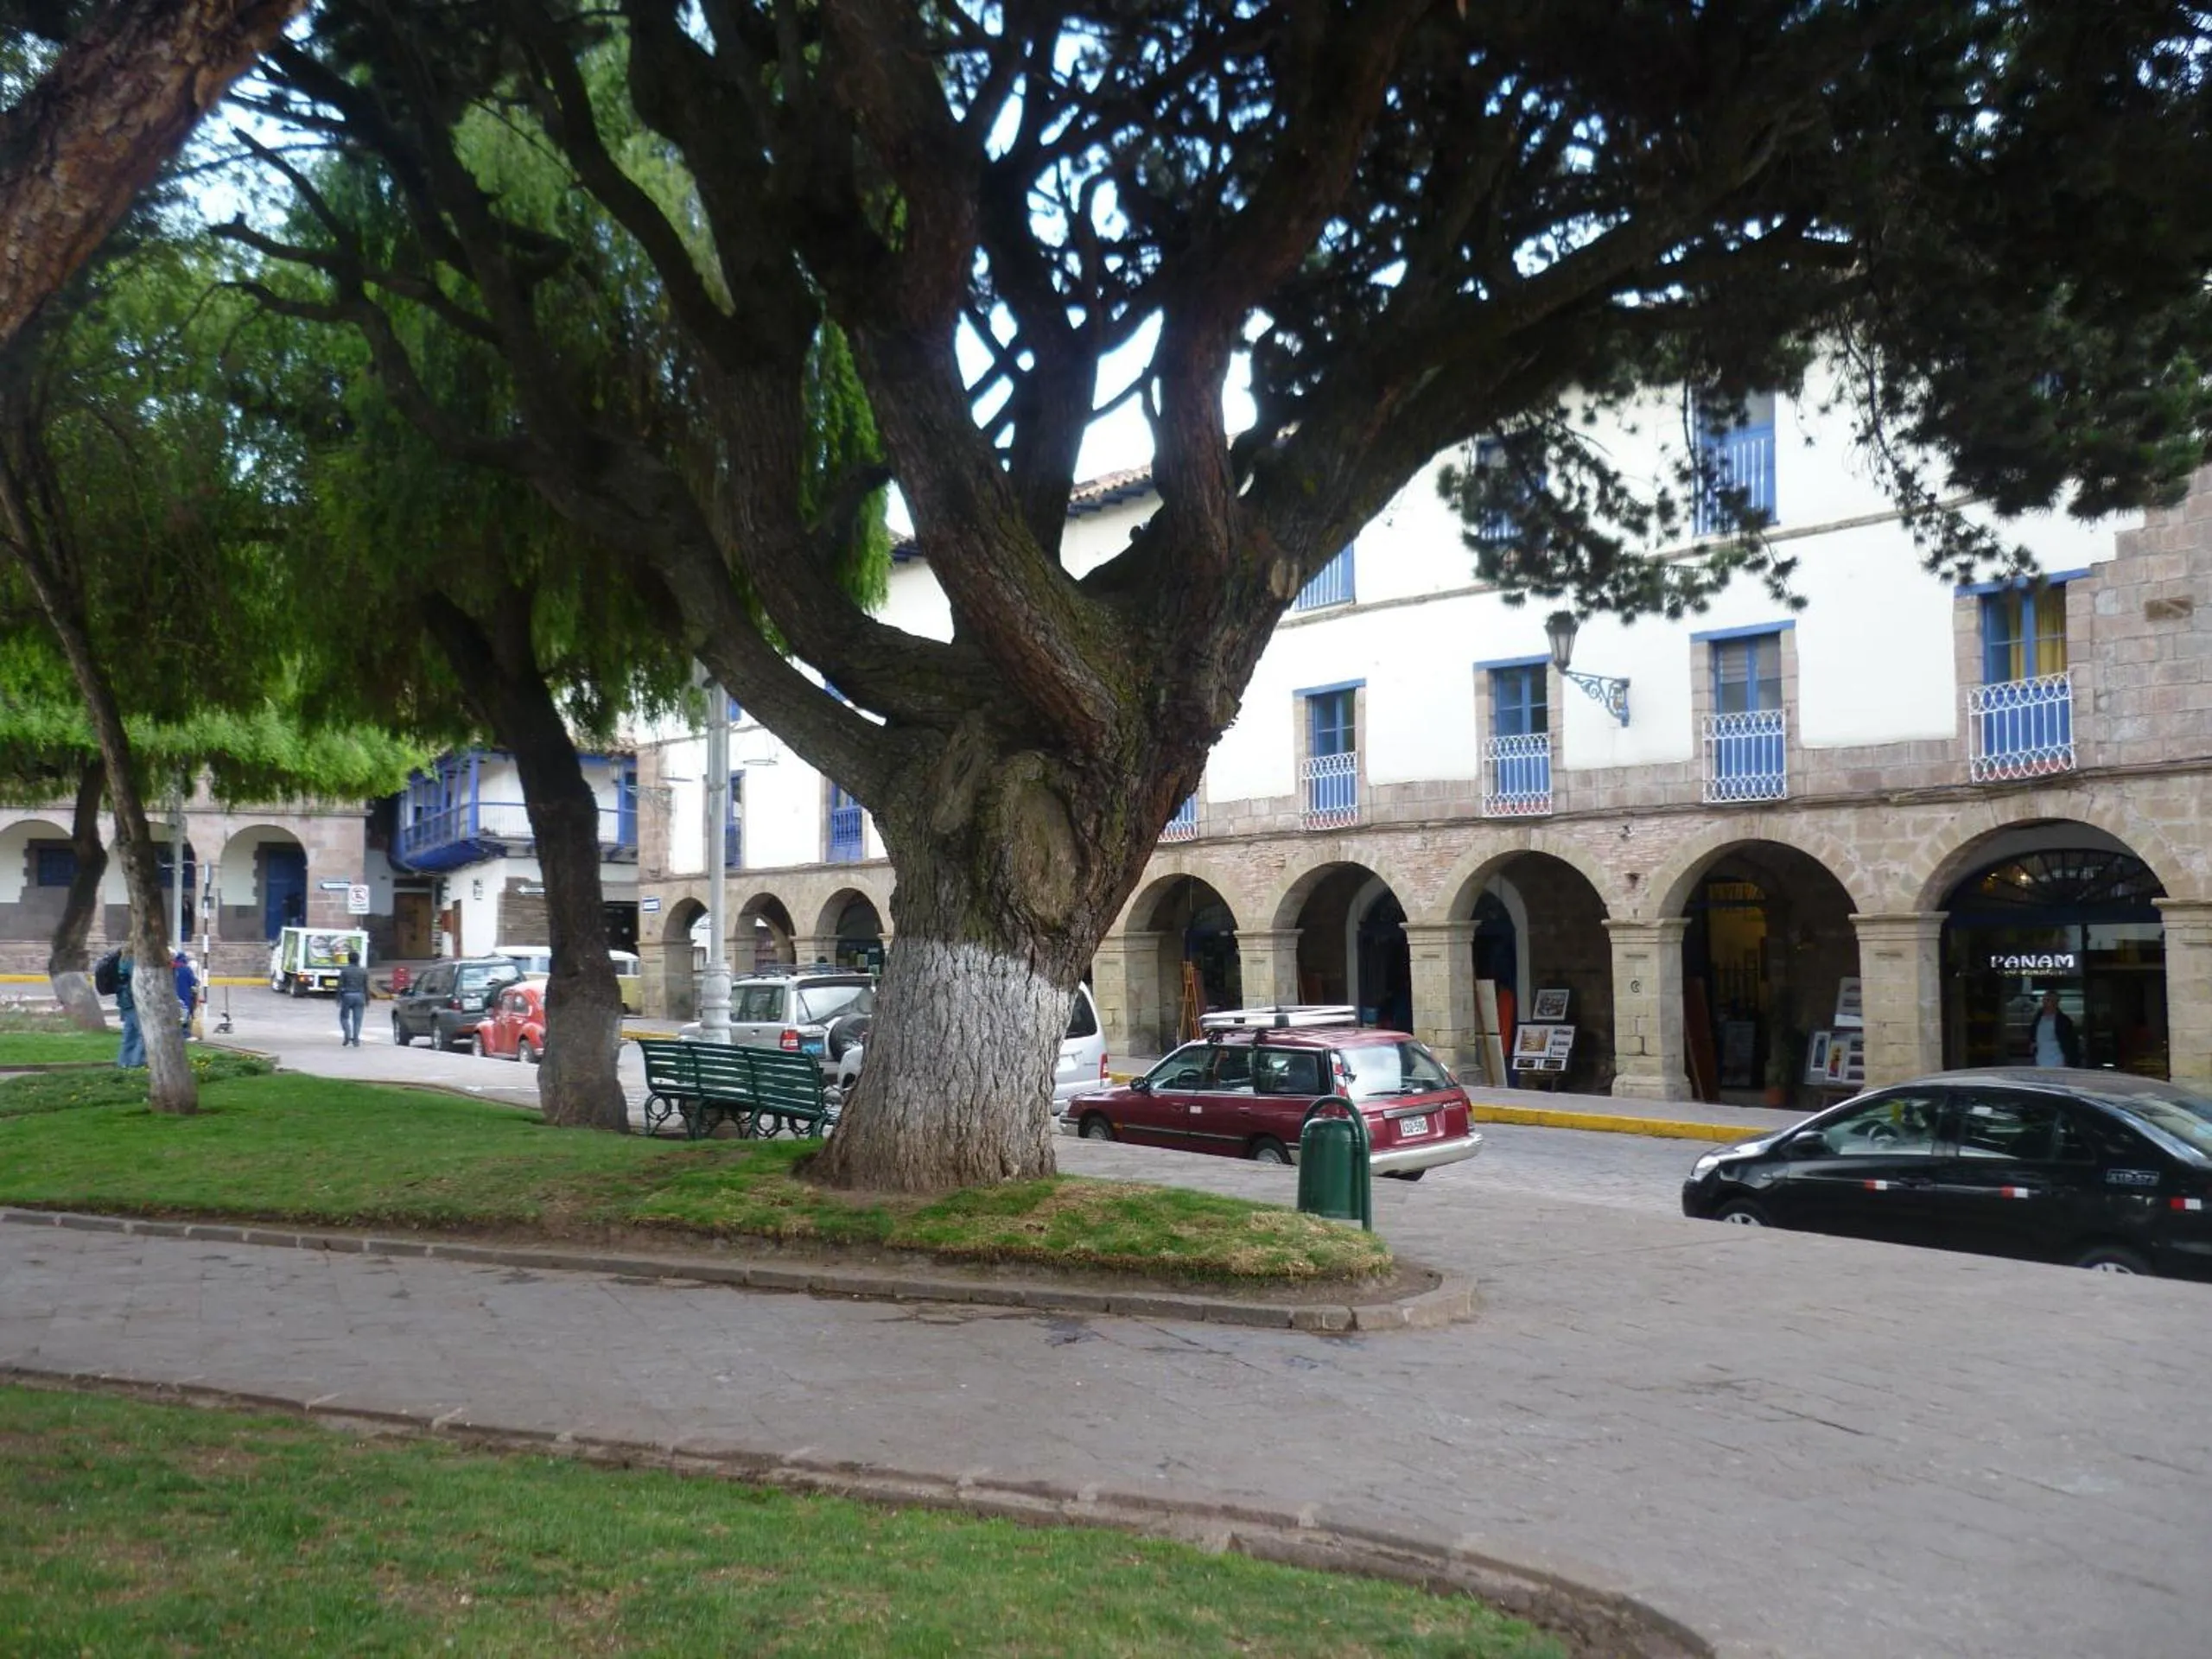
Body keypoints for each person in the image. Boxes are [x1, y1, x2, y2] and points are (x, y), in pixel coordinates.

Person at [2031, 989, 2082, 1068]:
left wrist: (2070, 1060)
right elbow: (2033, 1034)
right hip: (2040, 1057)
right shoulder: (2038, 1018)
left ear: (2056, 1002)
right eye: (2044, 1000)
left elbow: (2070, 1042)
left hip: (2057, 1058)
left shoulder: (2063, 1020)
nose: (2045, 1003)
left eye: (2049, 1000)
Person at [114, 944, 143, 1069]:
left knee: (129, 1033)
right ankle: (136, 1062)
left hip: (125, 999)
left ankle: (123, 1062)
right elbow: (137, 979)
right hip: (133, 999)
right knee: (144, 1033)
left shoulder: (124, 958)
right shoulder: (134, 960)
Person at [336, 950, 370, 1047]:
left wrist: (338, 998)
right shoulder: (364, 971)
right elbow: (366, 986)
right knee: (358, 1019)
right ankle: (356, 1039)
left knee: (344, 1017)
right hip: (360, 996)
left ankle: (347, 1033)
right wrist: (367, 999)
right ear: (358, 960)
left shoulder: (344, 971)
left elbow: (340, 985)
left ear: (348, 960)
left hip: (347, 995)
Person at [172, 950, 197, 1039]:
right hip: (184, 995)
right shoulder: (187, 969)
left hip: (173, 995)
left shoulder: (172, 969)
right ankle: (185, 1034)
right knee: (184, 1015)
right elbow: (193, 982)